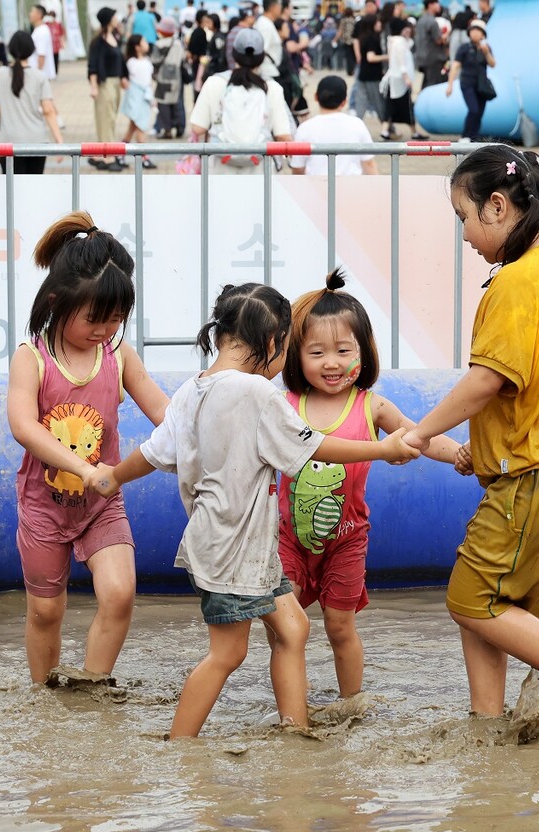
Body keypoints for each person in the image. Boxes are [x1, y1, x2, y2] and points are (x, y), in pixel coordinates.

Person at [92, 283, 419, 738]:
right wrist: (381, 450)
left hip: (235, 543)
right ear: (272, 343)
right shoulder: (257, 395)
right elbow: (313, 446)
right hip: (234, 549)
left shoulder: (192, 389)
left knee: (293, 627)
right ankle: (179, 743)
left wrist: (112, 477)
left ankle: (294, 729)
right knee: (228, 653)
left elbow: (152, 452)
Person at [401, 145, 539, 718]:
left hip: (536, 471)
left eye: (465, 218)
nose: (467, 236)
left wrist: (420, 434)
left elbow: (488, 381)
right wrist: (486, 446)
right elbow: (538, 382)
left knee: (470, 600)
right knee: (494, 604)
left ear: (497, 207)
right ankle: (488, 726)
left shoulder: (519, 280)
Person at [278, 272, 460, 699]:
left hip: (347, 540)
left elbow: (418, 436)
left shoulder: (370, 405)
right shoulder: (285, 407)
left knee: (339, 626)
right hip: (287, 541)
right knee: (286, 628)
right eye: (317, 352)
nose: (332, 363)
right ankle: (293, 707)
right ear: (296, 356)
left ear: (363, 353)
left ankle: (350, 706)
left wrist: (458, 455)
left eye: (344, 351)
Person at [7, 212, 169, 686]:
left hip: (102, 503)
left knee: (119, 594)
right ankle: (45, 695)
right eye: (95, 319)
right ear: (58, 301)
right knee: (45, 611)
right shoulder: (32, 357)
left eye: (116, 319)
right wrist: (83, 466)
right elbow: (22, 424)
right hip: (45, 507)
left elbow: (164, 410)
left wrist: (205, 424)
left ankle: (88, 687)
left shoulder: (118, 356)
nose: (105, 329)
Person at [189, 27, 293, 173]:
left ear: (233, 54)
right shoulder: (272, 88)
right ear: (262, 57)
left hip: (219, 173)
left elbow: (197, 128)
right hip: (260, 175)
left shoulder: (214, 83)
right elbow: (283, 136)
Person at [0, 30, 63, 174]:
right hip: (37, 141)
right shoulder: (39, 77)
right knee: (33, 188)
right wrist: (59, 142)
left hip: (8, 142)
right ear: (32, 51)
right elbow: (48, 111)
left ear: (10, 50)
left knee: (12, 189)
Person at [290, 75, 378, 175]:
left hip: (316, 187)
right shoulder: (357, 124)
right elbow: (369, 162)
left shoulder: (304, 128)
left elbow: (298, 167)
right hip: (351, 187)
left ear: (316, 97)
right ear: (344, 102)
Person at [88, 7, 127, 171]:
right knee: (105, 119)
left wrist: (124, 77)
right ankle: (108, 156)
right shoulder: (98, 41)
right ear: (108, 19)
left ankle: (98, 155)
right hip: (104, 85)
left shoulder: (115, 36)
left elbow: (120, 60)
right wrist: (94, 86)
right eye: (114, 16)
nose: (117, 19)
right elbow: (93, 65)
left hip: (115, 83)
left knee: (110, 119)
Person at [447, 17, 495, 142]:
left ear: (483, 35)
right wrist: (450, 84)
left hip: (481, 85)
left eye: (478, 31)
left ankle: (474, 137)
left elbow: (493, 64)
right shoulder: (464, 48)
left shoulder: (486, 48)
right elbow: (455, 65)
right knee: (473, 109)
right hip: (467, 83)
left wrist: (486, 53)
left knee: (479, 112)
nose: (475, 33)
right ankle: (465, 135)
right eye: (473, 30)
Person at [381, 18, 423, 140]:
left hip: (393, 79)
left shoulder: (393, 41)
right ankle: (414, 132)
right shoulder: (400, 42)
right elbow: (401, 62)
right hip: (400, 80)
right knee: (407, 107)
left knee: (389, 106)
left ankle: (385, 131)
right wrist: (406, 77)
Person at [120, 34, 157, 167]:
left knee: (132, 128)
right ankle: (144, 157)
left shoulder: (146, 61)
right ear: (137, 47)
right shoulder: (131, 63)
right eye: (144, 42)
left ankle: (120, 154)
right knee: (140, 127)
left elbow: (149, 81)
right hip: (136, 99)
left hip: (144, 99)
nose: (147, 44)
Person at [414, 0, 447, 88]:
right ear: (430, 5)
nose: (438, 6)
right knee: (432, 85)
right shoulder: (432, 21)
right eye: (436, 3)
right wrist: (446, 36)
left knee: (424, 84)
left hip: (421, 58)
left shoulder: (421, 19)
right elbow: (438, 40)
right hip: (432, 59)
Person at [29, 5, 56, 81]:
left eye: (32, 12)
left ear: (39, 15)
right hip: (39, 75)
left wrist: (37, 75)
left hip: (40, 76)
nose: (30, 14)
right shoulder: (38, 30)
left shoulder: (42, 31)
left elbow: (41, 55)